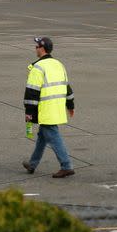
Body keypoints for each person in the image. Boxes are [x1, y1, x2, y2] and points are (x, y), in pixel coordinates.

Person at [22, 36, 76, 178]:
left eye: (36, 47)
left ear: (42, 48)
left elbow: (31, 92)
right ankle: (32, 164)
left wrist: (29, 112)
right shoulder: (59, 64)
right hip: (57, 107)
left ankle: (66, 165)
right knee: (42, 136)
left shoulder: (38, 67)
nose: (35, 49)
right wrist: (70, 105)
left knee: (53, 136)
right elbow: (67, 87)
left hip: (45, 109)